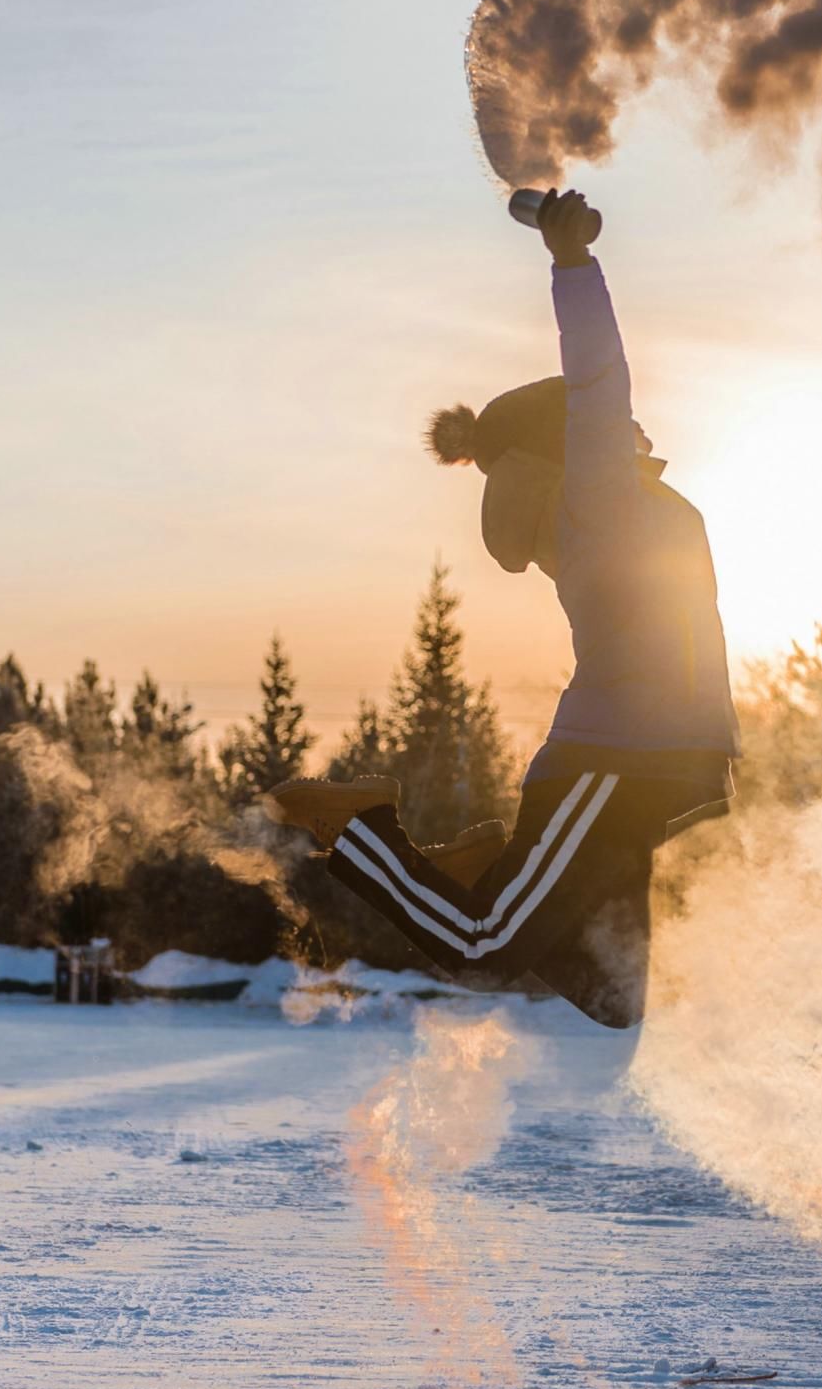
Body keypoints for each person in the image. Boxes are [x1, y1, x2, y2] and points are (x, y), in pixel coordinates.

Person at [268, 189, 740, 1028]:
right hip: (611, 759)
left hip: (647, 768)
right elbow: (599, 378)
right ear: (568, 440)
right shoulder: (599, 499)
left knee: (612, 994)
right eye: (604, 421)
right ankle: (362, 826)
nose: (630, 423)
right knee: (484, 945)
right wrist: (572, 265)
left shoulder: (615, 500)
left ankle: (487, 866)